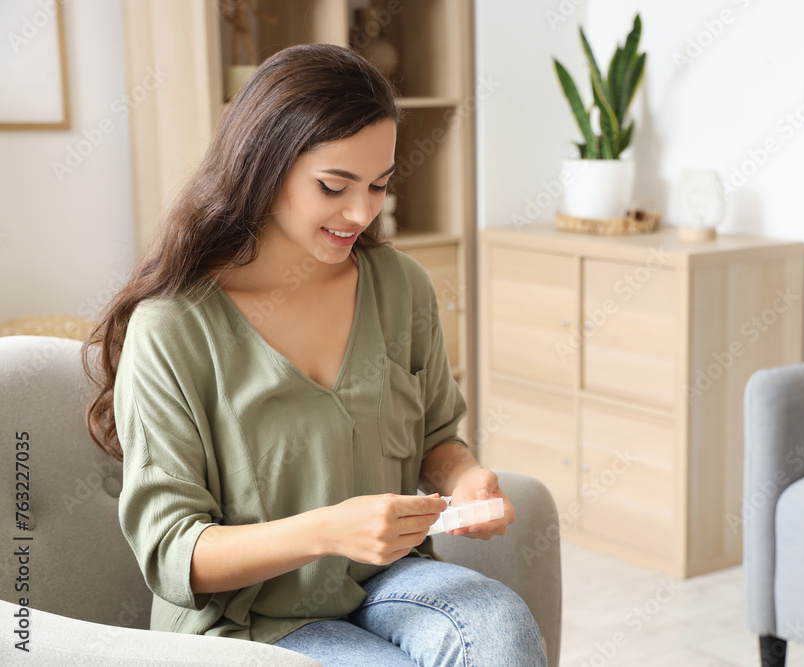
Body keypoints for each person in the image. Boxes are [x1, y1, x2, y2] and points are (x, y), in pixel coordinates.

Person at [81, 43, 547, 667]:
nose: (362, 212)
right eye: (334, 186)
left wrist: (463, 477)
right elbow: (172, 553)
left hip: (382, 582)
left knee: (498, 625)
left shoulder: (400, 286)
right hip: (248, 621)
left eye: (379, 185)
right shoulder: (175, 329)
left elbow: (438, 436)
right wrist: (330, 530)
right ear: (264, 168)